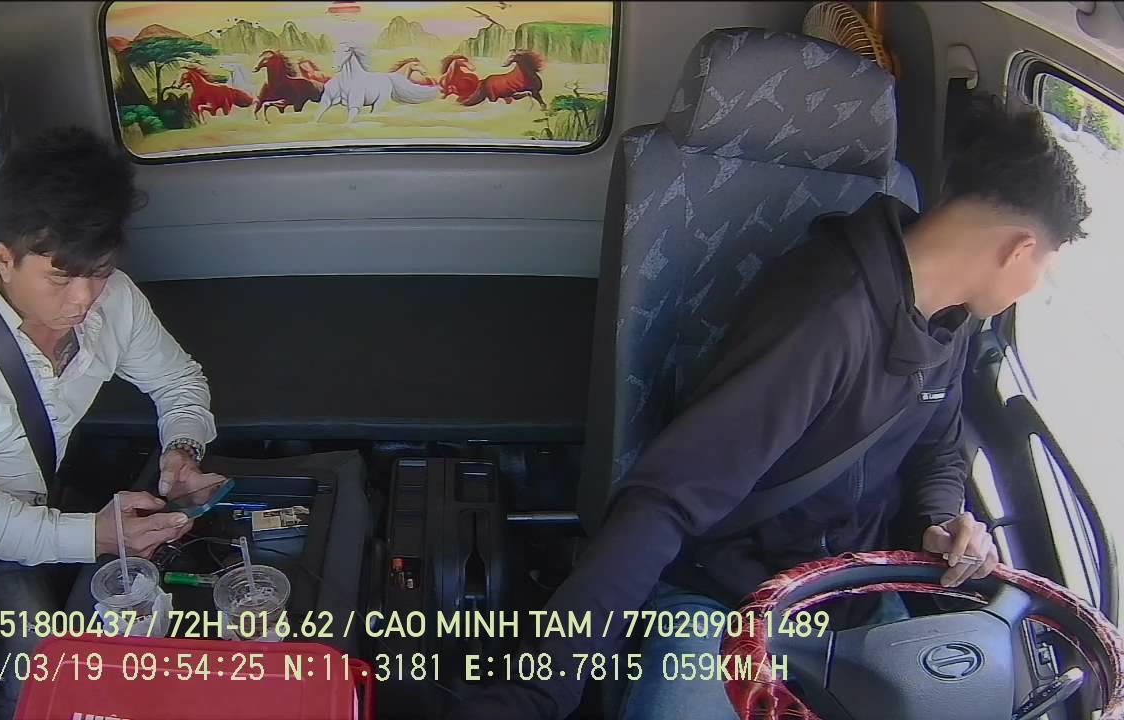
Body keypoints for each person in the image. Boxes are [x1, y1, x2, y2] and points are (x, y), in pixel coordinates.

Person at [450, 96, 1091, 720]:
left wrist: (939, 518)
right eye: (1046, 268)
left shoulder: (953, 320)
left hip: (856, 596)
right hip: (726, 596)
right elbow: (669, 498)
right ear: (1018, 249)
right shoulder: (826, 316)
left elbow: (938, 448)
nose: (1034, 288)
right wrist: (541, 689)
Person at [0, 126, 225, 720]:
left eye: (99, 271)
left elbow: (178, 382)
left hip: (15, 511)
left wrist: (182, 449)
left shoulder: (115, 301)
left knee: (44, 668)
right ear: (6, 260)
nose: (84, 298)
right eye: (61, 276)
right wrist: (96, 535)